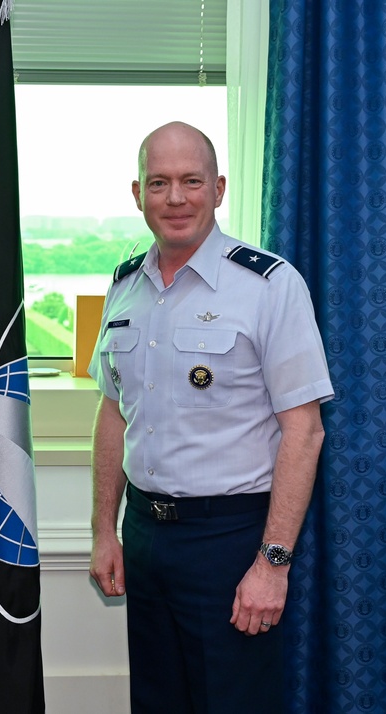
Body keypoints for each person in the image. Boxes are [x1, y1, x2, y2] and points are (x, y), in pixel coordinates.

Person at [88, 121, 333, 713]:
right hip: (146, 535)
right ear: (137, 193)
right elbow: (114, 412)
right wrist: (104, 530)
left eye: (191, 181)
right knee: (157, 701)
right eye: (159, 183)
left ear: (218, 188)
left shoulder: (269, 286)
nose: (176, 198)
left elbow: (305, 429)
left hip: (230, 541)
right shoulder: (125, 288)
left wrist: (272, 564)